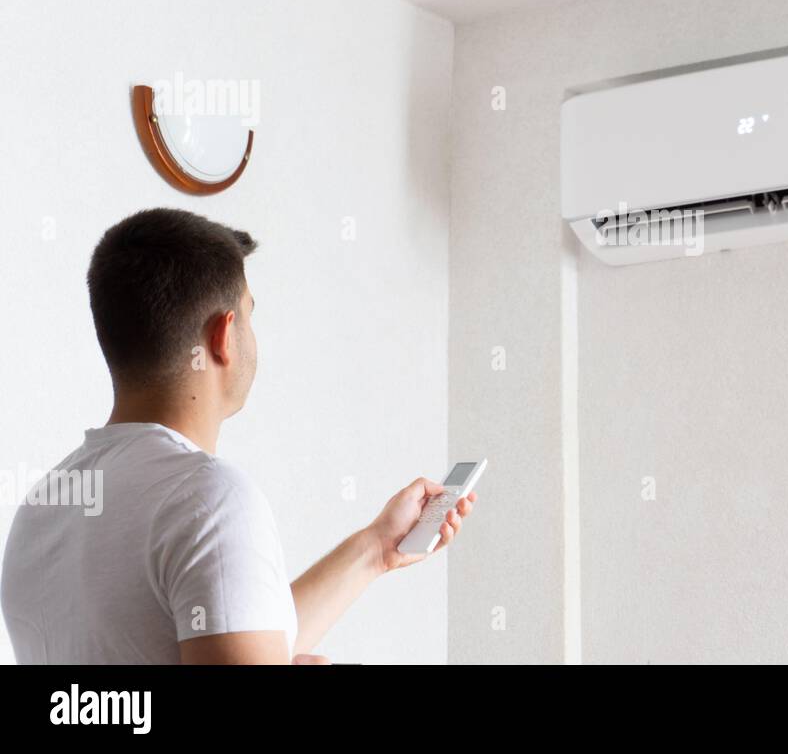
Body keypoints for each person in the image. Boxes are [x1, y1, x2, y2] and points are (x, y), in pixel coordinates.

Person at [0, 208, 472, 663]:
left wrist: (375, 548)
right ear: (223, 335)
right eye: (248, 313)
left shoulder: (46, 504)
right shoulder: (208, 499)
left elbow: (227, 632)